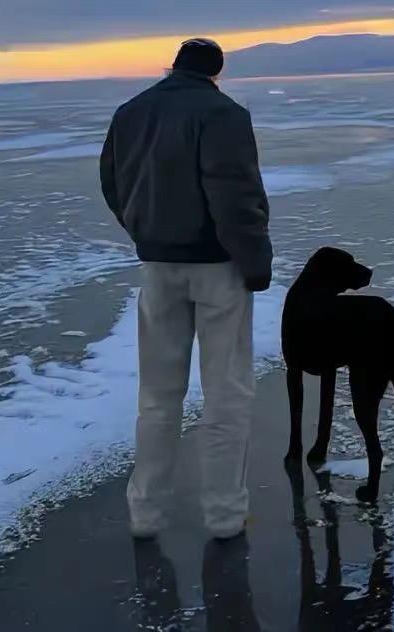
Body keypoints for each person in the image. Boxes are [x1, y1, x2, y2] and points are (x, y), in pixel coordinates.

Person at [100, 37, 273, 540]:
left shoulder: (130, 113)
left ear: (175, 66)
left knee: (157, 396)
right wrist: (255, 262)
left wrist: (146, 232)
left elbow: (113, 184)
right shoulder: (224, 114)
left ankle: (145, 513)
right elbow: (235, 196)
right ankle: (224, 516)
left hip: (158, 267)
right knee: (226, 394)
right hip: (217, 267)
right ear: (216, 72)